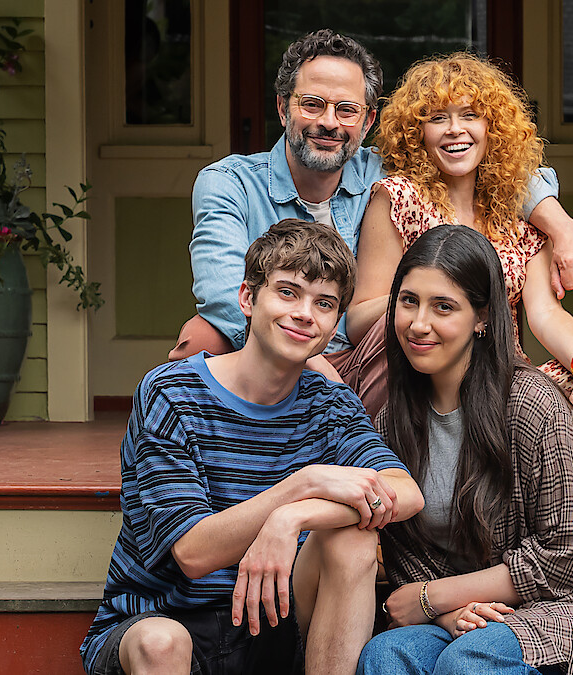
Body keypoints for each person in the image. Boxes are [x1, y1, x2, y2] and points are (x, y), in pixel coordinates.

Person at [348, 54, 573, 675]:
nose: (456, 129)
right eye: (438, 118)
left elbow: (543, 314)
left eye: (472, 116)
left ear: (497, 130)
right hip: (418, 372)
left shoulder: (518, 216)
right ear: (416, 131)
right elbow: (360, 317)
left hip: (502, 378)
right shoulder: (398, 198)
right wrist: (433, 309)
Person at [170, 29, 573, 418]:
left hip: (372, 352)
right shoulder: (228, 183)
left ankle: (395, 479)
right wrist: (313, 362)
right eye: (312, 104)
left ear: (367, 121)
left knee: (397, 325)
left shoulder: (383, 172)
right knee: (200, 337)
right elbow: (225, 296)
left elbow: (492, 166)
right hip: (280, 348)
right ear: (284, 109)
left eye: (346, 109)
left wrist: (564, 226)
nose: (328, 122)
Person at [81, 219, 424, 675]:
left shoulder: (330, 404)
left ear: (334, 324)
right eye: (288, 292)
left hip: (276, 622)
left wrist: (294, 517)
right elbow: (193, 552)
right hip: (170, 618)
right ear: (247, 298)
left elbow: (406, 492)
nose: (305, 313)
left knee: (353, 545)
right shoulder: (172, 394)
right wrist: (301, 485)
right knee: (160, 643)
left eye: (324, 303)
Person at [358, 225, 573, 674]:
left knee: (470, 661)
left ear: (482, 317)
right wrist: (450, 611)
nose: (419, 323)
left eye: (443, 307)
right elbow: (409, 556)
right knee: (387, 656)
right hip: (471, 617)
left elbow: (569, 552)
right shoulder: (391, 423)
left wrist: (434, 598)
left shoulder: (533, 404)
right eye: (408, 300)